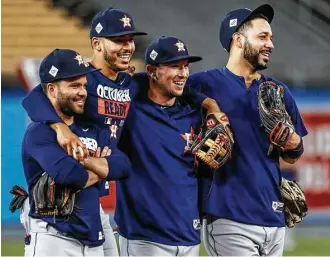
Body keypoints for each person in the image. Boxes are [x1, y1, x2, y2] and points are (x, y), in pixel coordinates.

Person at [187, 4, 308, 256]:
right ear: (239, 40)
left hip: (273, 217)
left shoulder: (278, 92)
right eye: (262, 36)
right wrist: (207, 107)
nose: (271, 44)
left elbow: (294, 155)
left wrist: (292, 141)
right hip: (228, 216)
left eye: (271, 38)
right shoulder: (201, 85)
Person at [22, 48, 130, 256]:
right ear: (52, 90)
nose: (82, 92)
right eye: (74, 86)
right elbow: (70, 175)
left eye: (84, 85)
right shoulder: (40, 132)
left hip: (91, 234)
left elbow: (123, 165)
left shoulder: (91, 127)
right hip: (53, 237)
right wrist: (101, 166)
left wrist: (83, 160)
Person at [116, 36, 204, 256]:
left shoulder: (193, 115)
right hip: (145, 239)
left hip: (189, 236)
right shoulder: (132, 109)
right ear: (152, 71)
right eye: (174, 66)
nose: (183, 74)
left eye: (186, 67)